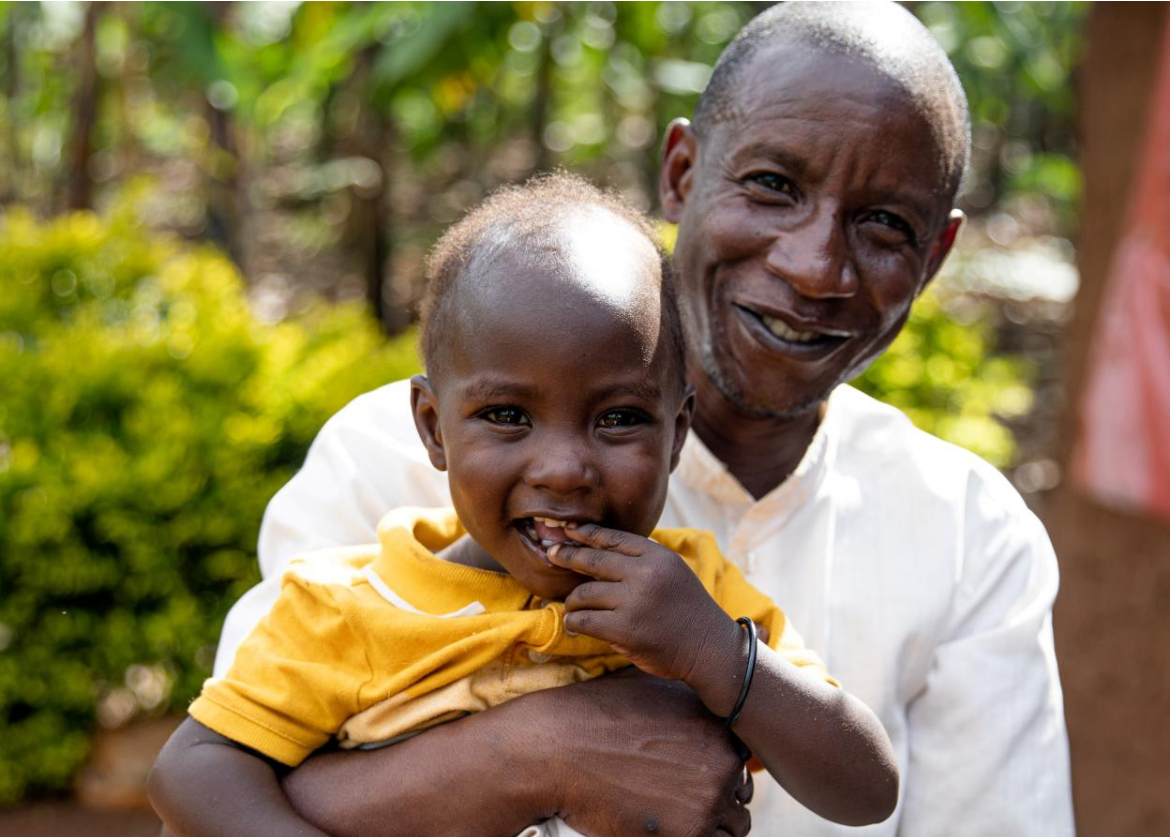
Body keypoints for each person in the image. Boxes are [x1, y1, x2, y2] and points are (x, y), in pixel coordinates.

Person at [205, 3, 1075, 836]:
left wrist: (722, 661)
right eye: (773, 185)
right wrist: (541, 755)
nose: (815, 268)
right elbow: (221, 789)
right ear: (682, 173)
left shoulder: (972, 539)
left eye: (884, 223)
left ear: (936, 257)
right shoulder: (389, 466)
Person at [148, 175, 900, 837]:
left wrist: (713, 652)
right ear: (434, 428)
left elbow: (865, 788)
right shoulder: (350, 606)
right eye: (508, 415)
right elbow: (193, 770)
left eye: (618, 418)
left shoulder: (693, 593)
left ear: (677, 435)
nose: (565, 468)